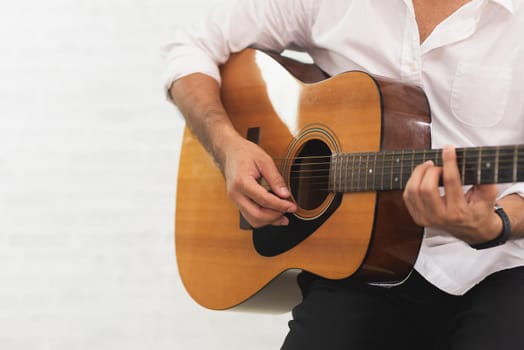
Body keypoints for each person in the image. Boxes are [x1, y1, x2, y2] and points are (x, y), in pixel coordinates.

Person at [164, 1, 524, 349]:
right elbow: (193, 47)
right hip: (363, 264)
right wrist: (226, 147)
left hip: (501, 267)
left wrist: (497, 224)